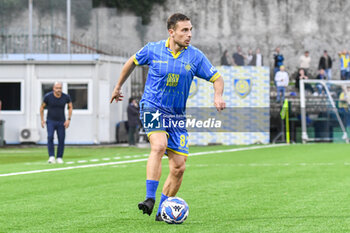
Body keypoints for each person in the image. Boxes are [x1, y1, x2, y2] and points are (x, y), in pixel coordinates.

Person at [110, 13, 225, 221]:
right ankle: (149, 198)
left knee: (179, 167)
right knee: (159, 145)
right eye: (184, 30)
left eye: (190, 30)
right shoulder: (153, 49)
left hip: (177, 116)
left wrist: (218, 96)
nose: (189, 34)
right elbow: (131, 62)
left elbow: (217, 78)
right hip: (152, 107)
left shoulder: (196, 56)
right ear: (171, 32)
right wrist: (118, 86)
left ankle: (163, 211)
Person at [40, 82, 73, 164]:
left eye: (60, 88)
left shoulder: (66, 97)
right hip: (50, 121)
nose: (58, 90)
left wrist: (68, 119)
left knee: (61, 139)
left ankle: (59, 157)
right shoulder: (48, 97)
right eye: (57, 88)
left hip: (61, 121)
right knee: (50, 137)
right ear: (53, 88)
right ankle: (51, 156)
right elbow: (42, 107)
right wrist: (42, 120)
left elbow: (70, 107)